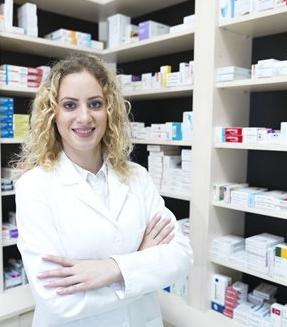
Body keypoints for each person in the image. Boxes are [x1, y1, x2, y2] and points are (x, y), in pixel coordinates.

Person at [13, 52, 193, 326]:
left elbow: (181, 255)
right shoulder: (35, 186)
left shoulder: (137, 177)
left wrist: (112, 269)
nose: (84, 117)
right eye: (70, 105)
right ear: (53, 113)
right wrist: (140, 265)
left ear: (109, 110)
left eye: (95, 103)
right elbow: (59, 300)